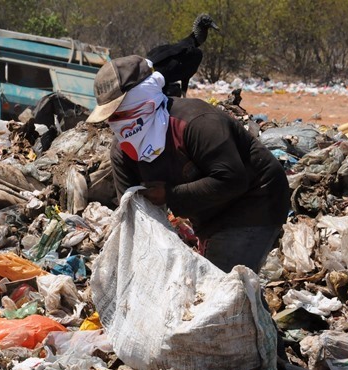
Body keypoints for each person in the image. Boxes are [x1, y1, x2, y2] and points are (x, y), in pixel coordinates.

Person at [86, 55, 290, 273]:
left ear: (141, 98)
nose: (117, 122)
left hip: (256, 201)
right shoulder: (122, 151)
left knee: (220, 283)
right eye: (112, 116)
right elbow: (131, 213)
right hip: (207, 213)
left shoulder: (197, 122)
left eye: (121, 112)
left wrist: (169, 195)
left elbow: (232, 179)